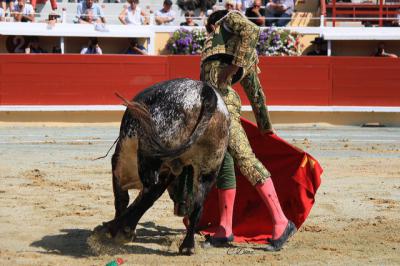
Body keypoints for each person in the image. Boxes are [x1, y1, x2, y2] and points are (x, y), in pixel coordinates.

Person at [200, 10, 296, 251]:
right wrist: (264, 126)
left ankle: (281, 221)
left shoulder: (227, 20)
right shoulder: (240, 50)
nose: (207, 33)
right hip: (210, 103)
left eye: (207, 28)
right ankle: (224, 228)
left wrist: (232, 68)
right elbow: (255, 93)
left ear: (213, 23)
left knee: (245, 159)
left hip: (223, 104)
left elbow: (253, 30)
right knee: (224, 163)